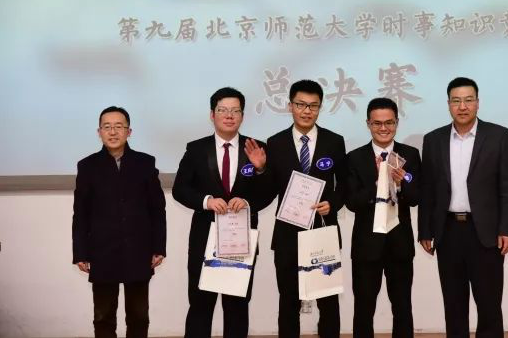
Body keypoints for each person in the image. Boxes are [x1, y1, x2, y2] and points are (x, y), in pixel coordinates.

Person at [418, 77, 508, 337]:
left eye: (468, 100)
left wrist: (507, 228)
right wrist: (425, 230)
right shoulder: (434, 139)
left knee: (489, 305)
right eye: (456, 101)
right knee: (454, 305)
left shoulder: (499, 136)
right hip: (448, 232)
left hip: (485, 233)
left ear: (477, 102)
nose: (462, 106)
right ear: (448, 104)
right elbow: (428, 189)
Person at [172, 87, 268, 338]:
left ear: (242, 116)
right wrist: (206, 201)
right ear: (212, 114)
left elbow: (269, 191)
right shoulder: (196, 149)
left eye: (235, 110)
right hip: (205, 239)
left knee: (237, 307)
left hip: (241, 241)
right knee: (200, 305)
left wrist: (259, 171)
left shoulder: (256, 148)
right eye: (223, 110)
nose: (229, 115)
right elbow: (180, 189)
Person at [72, 106, 166, 338]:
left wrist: (158, 247)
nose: (113, 132)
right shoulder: (87, 166)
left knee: (139, 316)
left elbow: (157, 210)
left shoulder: (145, 163)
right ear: (99, 132)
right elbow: (80, 214)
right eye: (107, 127)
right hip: (102, 252)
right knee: (103, 316)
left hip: (138, 251)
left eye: (118, 126)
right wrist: (80, 252)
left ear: (129, 131)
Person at [264, 79, 347, 338]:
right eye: (301, 104)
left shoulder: (334, 141)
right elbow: (268, 189)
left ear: (320, 107)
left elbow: (345, 184)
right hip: (287, 235)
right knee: (288, 301)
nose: (306, 111)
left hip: (323, 232)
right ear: (290, 106)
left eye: (313, 105)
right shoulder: (274, 143)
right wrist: (260, 170)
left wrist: (333, 203)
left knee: (328, 302)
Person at [345, 98, 421, 338]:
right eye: (377, 123)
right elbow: (352, 202)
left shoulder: (411, 154)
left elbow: (416, 197)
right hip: (366, 246)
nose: (384, 128)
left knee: (403, 307)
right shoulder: (355, 157)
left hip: (400, 244)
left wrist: (401, 184)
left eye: (389, 122)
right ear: (368, 124)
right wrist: (378, 181)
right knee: (364, 308)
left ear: (397, 122)